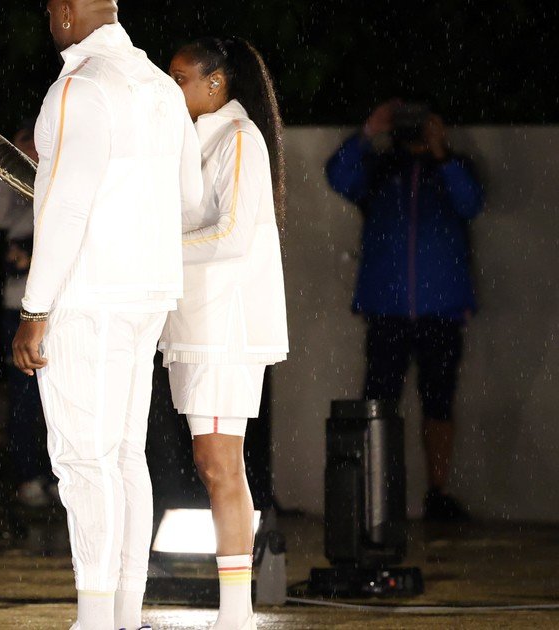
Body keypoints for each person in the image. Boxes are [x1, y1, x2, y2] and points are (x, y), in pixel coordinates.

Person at [12, 1, 202, 628]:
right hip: (148, 292)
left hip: (88, 297)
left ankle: (96, 620)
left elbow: (65, 208)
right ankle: (122, 613)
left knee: (82, 460)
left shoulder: (80, 86)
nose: (47, 20)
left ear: (68, 12)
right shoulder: (160, 87)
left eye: (49, 10)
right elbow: (190, 202)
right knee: (123, 455)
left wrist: (35, 306)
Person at [161, 37, 290, 630]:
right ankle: (235, 606)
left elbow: (234, 235)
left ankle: (236, 611)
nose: (173, 87)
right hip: (197, 323)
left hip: (224, 328)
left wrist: (157, 252)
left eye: (182, 77)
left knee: (221, 464)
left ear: (217, 83)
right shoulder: (196, 140)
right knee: (213, 461)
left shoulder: (239, 140)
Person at [326, 99, 484, 522]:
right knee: (379, 403)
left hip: (441, 312)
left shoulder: (450, 166)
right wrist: (367, 132)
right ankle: (375, 491)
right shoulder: (380, 168)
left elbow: (471, 203)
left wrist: (441, 152)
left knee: (438, 404)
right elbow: (338, 177)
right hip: (387, 311)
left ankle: (437, 493)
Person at [0, 122, 55, 510]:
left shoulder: (60, 176)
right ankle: (28, 476)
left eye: (35, 140)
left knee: (55, 395)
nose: (31, 147)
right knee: (23, 395)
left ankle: (54, 476)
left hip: (56, 307)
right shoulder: (15, 183)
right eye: (24, 141)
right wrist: (9, 163)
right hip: (18, 303)